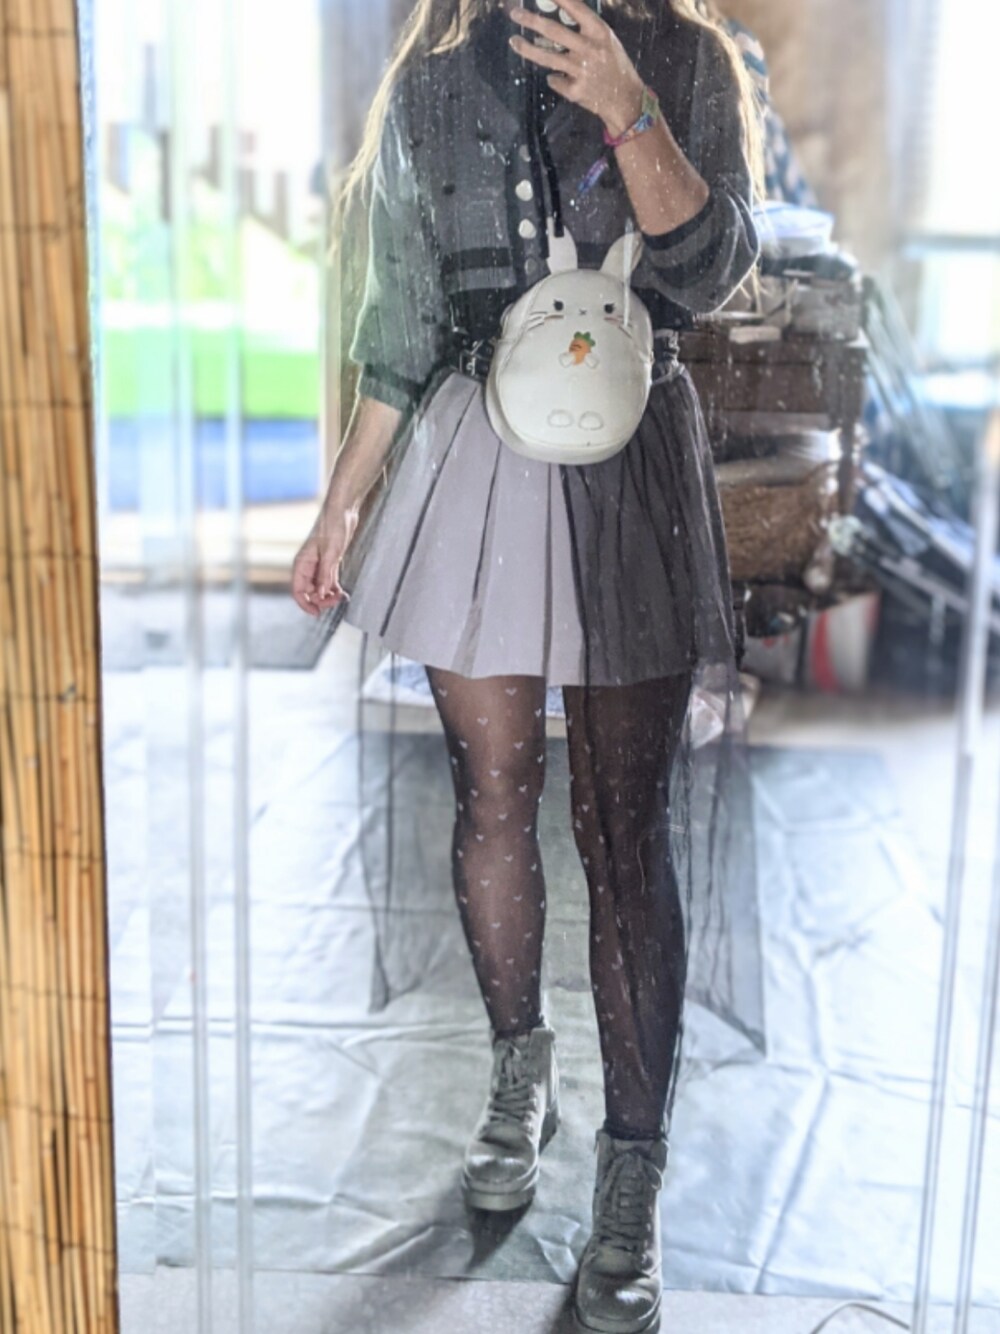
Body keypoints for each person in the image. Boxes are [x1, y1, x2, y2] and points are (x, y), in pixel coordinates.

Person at [292, 2, 764, 1329]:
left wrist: (628, 105)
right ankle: (520, 1069)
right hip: (473, 454)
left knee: (624, 827)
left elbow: (716, 268)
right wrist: (341, 504)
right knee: (491, 795)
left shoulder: (686, 56)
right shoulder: (432, 74)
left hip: (631, 451)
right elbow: (398, 319)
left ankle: (633, 1164)